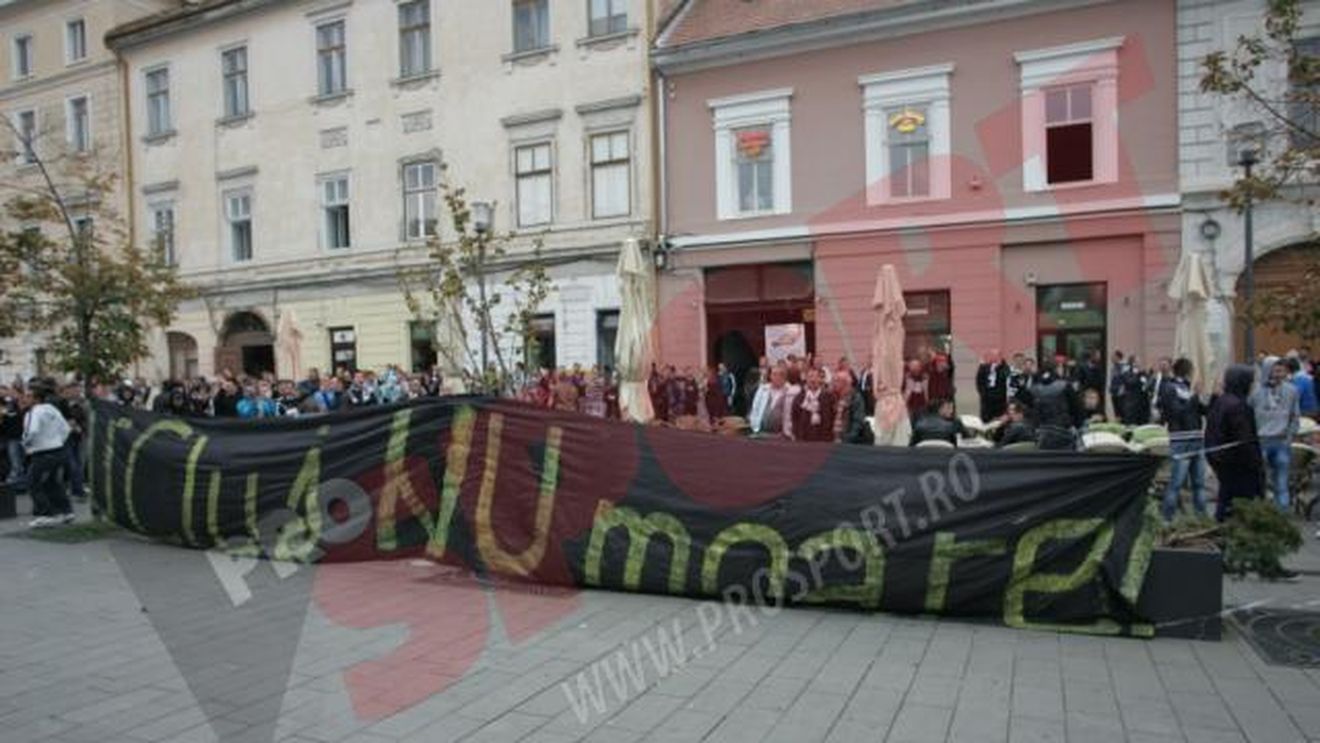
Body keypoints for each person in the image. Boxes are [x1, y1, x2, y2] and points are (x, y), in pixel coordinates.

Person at [1207, 365, 1265, 523]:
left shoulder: (1221, 402)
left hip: (1222, 461)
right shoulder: (1238, 407)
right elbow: (1245, 440)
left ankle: (1220, 528)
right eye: (1251, 382)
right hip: (1239, 465)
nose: (1253, 386)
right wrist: (1257, 464)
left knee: (1225, 500)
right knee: (1241, 508)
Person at [1159, 358, 1208, 520]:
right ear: (1188, 371)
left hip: (1197, 438)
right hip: (1180, 439)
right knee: (1176, 483)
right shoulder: (1169, 388)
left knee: (1199, 484)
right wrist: (1194, 397)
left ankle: (1202, 519)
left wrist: (1212, 397)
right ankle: (1167, 520)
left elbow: (1202, 411)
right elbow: (1177, 412)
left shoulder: (1188, 387)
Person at [1250, 357, 1300, 511]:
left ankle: (1282, 514)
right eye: (1276, 371)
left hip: (1281, 442)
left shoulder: (1292, 390)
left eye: (1282, 371)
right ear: (1267, 371)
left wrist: (1289, 438)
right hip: (1261, 442)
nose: (1280, 374)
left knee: (1281, 483)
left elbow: (1295, 416)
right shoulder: (1256, 392)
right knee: (1260, 482)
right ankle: (1263, 513)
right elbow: (1248, 414)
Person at [21, 383, 73, 528]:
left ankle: (46, 514)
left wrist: (26, 444)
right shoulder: (52, 409)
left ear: (37, 399)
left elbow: (32, 431)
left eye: (28, 396)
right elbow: (66, 429)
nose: (25, 398)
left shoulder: (34, 412)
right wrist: (57, 441)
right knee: (52, 483)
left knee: (33, 483)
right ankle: (66, 511)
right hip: (58, 450)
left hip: (42, 453)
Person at [1031, 360, 1082, 450]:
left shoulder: (1035, 388)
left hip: (1042, 430)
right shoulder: (1065, 385)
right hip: (1063, 428)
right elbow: (1076, 408)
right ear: (1057, 369)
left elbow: (1033, 410)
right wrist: (1077, 424)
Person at [749, 364, 797, 438]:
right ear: (770, 376)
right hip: (760, 432)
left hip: (781, 435)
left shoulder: (791, 391)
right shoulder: (763, 389)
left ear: (785, 377)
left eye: (781, 374)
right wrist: (754, 427)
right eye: (774, 374)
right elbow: (755, 408)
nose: (777, 377)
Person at [790, 367, 836, 442]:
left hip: (823, 440)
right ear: (806, 379)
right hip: (803, 440)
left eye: (816, 377)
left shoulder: (829, 397)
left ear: (820, 379)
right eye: (810, 376)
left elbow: (832, 418)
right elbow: (794, 418)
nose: (813, 380)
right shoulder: (800, 398)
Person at [833, 371, 871, 445]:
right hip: (834, 441)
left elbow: (858, 422)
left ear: (844, 383)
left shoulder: (855, 398)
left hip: (847, 442)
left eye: (837, 381)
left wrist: (847, 439)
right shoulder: (835, 398)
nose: (834, 384)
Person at [975, 350, 1009, 423]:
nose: (994, 358)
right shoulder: (985, 367)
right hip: (987, 398)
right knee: (986, 420)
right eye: (992, 355)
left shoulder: (1004, 368)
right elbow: (979, 380)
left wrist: (1000, 365)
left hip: (999, 399)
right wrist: (983, 393)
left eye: (996, 356)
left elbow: (1005, 377)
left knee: (999, 421)